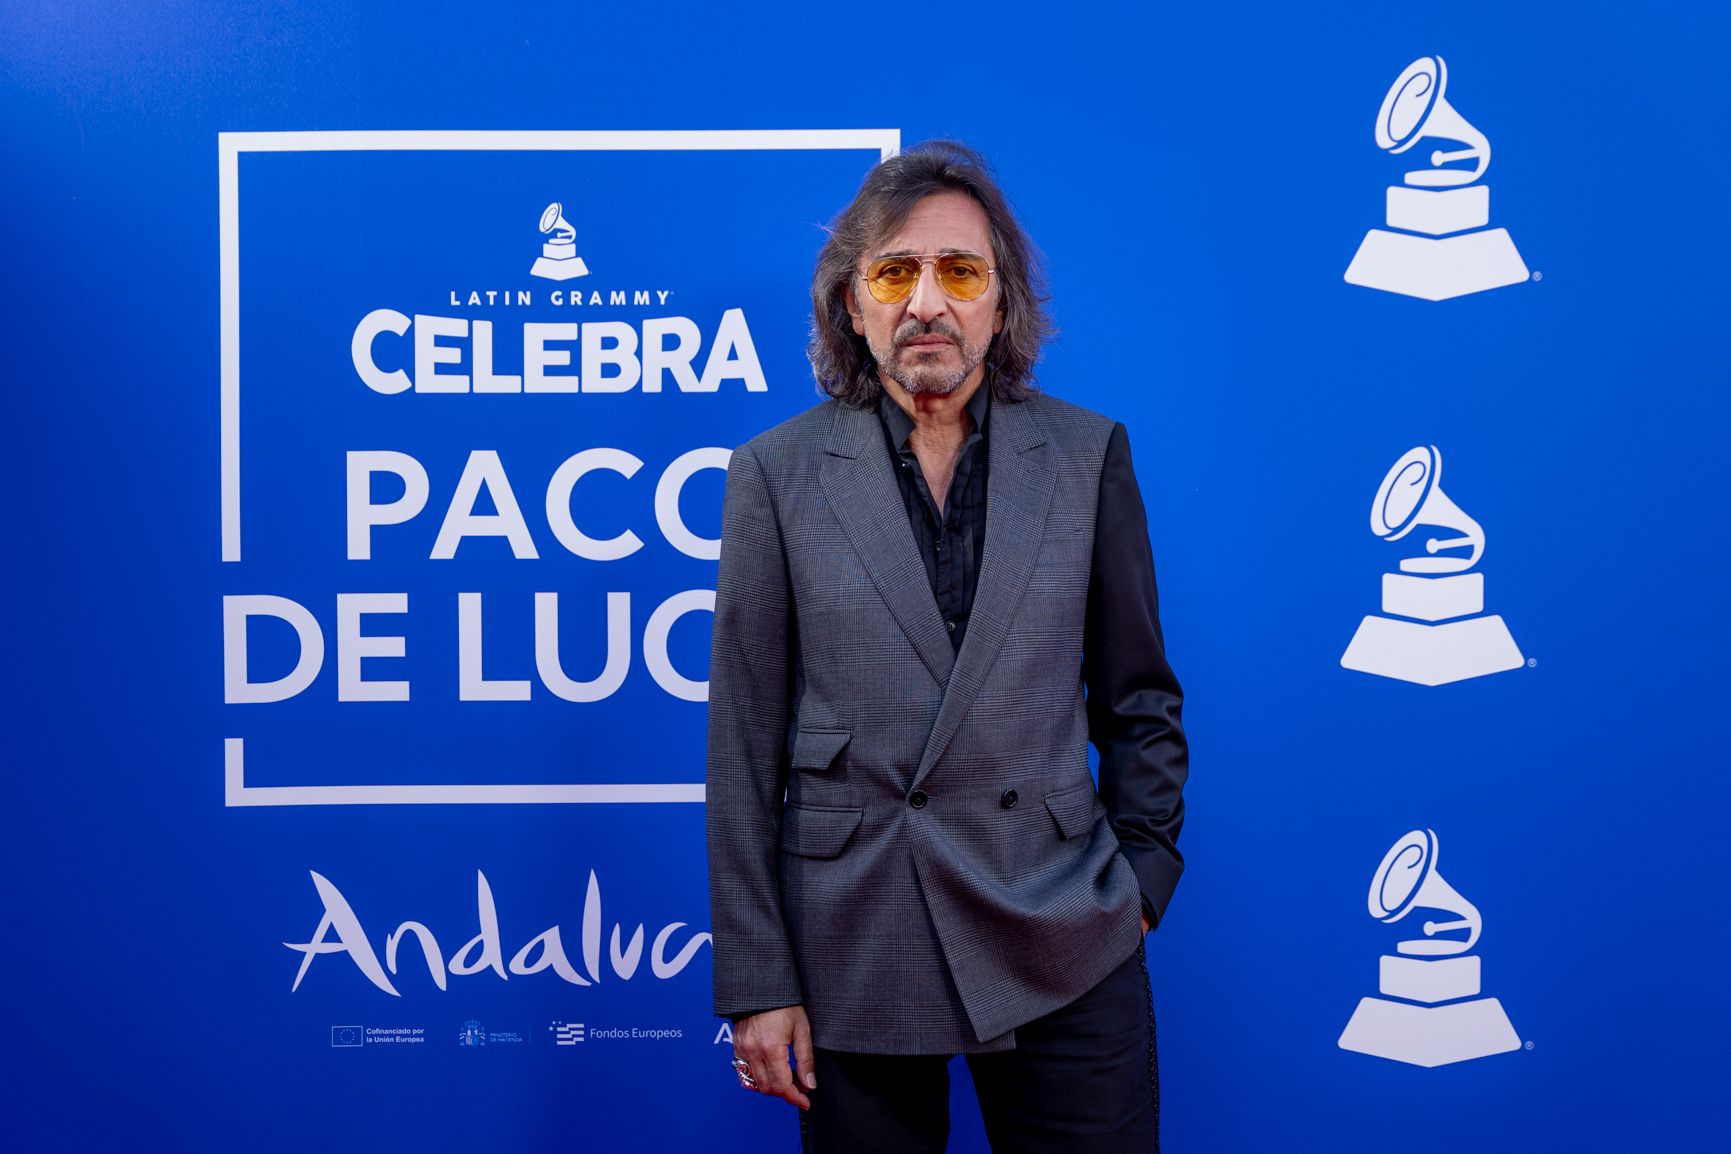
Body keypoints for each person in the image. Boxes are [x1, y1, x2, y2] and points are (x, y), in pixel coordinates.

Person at [706, 140, 1188, 1153]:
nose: (927, 301)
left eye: (960, 272)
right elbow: (742, 747)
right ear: (853, 304)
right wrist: (758, 979)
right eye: (894, 272)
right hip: (852, 935)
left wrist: (1139, 880)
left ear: (1000, 305)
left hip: (1063, 925)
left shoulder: (1088, 455)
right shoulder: (775, 475)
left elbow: (1139, 698)